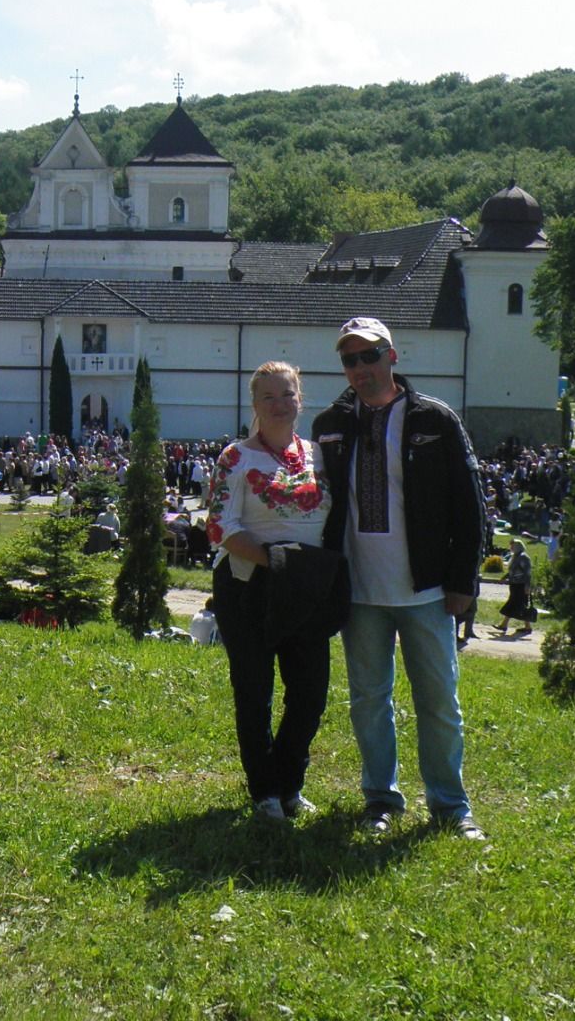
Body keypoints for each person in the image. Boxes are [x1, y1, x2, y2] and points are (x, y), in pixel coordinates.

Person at [314, 317, 488, 840]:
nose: (360, 368)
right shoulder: (329, 424)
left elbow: (470, 505)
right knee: (369, 701)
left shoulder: (435, 419)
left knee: (439, 702)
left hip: (426, 589)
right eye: (350, 359)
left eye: (369, 356)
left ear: (392, 356)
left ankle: (450, 806)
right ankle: (381, 799)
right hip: (360, 591)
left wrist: (463, 582)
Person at [206, 360, 338, 822]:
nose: (280, 404)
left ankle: (289, 783)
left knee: (310, 693)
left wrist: (305, 570)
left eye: (288, 394)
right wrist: (279, 561)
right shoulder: (236, 457)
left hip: (306, 588)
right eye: (269, 397)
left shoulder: (319, 456)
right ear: (255, 404)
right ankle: (265, 792)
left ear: (300, 399)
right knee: (254, 691)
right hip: (249, 586)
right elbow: (220, 526)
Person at [491, 538, 533, 638]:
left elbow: (527, 573)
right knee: (520, 605)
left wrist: (527, 585)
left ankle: (504, 625)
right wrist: (504, 577)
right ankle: (527, 627)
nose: (511, 547)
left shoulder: (523, 557)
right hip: (514, 584)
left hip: (521, 585)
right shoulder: (515, 557)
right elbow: (512, 571)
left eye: (512, 545)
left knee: (514, 603)